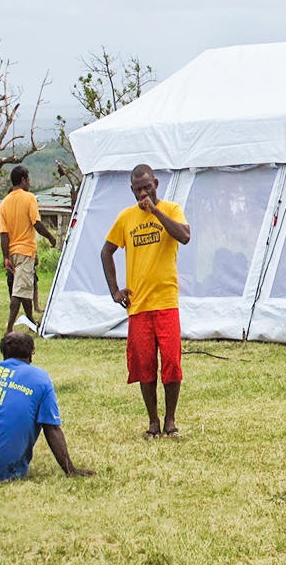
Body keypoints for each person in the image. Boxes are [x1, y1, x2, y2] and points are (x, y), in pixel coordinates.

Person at [100, 164, 190, 439]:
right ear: (132, 190)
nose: (142, 194)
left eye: (147, 188)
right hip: (138, 306)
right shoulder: (126, 217)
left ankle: (170, 421)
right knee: (145, 366)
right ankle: (153, 421)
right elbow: (106, 252)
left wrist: (155, 212)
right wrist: (115, 291)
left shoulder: (171, 209)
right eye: (137, 189)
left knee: (171, 364)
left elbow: (185, 236)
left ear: (156, 184)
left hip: (166, 302)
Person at [0, 332, 94, 480]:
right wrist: (70, 470)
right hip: (5, 472)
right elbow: (51, 428)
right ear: (31, 355)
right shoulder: (40, 378)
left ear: (3, 353)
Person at [0, 165, 57, 333]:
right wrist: (50, 237)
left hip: (12, 253)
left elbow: (3, 234)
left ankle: (31, 321)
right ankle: (9, 329)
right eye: (28, 179)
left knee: (24, 289)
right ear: (23, 180)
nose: (29, 182)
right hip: (25, 252)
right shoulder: (29, 198)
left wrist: (6, 257)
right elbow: (36, 223)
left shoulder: (5, 202)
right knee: (18, 293)